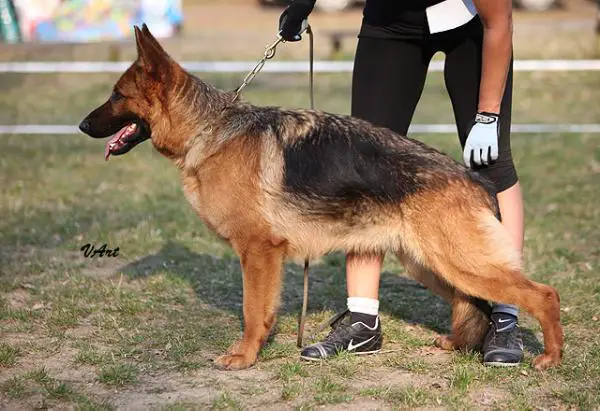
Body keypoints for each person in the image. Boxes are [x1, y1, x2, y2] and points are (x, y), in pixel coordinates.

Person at [278, 0, 525, 366]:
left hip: (470, 26)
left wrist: (487, 116)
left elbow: (499, 21)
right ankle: (362, 319)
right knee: (365, 167)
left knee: (491, 162)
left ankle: (506, 313)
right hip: (390, 25)